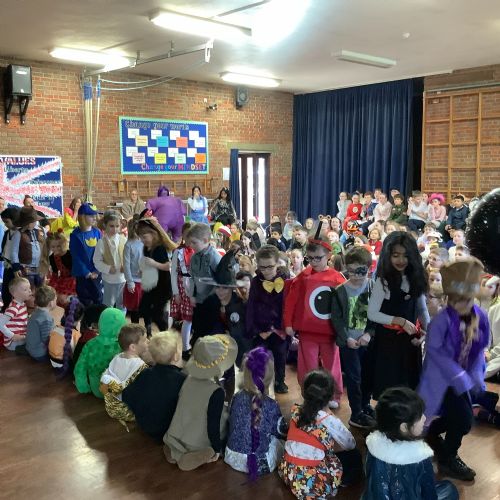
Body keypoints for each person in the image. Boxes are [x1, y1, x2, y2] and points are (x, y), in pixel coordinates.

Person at [419, 258, 490, 481]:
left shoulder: (480, 317)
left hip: (463, 379)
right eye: (457, 299)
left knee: (459, 419)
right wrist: (459, 375)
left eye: (467, 299)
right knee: (463, 419)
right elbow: (435, 352)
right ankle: (448, 457)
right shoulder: (440, 321)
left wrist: (477, 374)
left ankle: (432, 434)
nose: (462, 304)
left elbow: (479, 349)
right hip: (441, 379)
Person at [362, 387, 459, 500]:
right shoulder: (420, 457)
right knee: (450, 488)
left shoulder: (373, 445)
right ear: (404, 427)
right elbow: (429, 493)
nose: (424, 418)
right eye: (420, 416)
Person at [284, 231, 345, 407]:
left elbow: (345, 305)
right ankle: (309, 395)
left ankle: (334, 395)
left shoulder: (337, 278)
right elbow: (291, 301)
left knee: (332, 365)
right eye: (310, 258)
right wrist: (288, 323)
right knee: (307, 366)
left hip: (330, 332)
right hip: (307, 331)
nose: (314, 262)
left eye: (318, 258)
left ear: (329, 255)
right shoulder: (303, 277)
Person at [279, 369, 362, 498]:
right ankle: (342, 481)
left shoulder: (296, 411)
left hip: (290, 472)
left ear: (303, 393)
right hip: (313, 483)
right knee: (354, 455)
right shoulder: (329, 421)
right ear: (331, 396)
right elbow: (350, 444)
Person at [367, 232, 430, 399]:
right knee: (388, 388)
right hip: (388, 342)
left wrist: (427, 332)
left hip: (410, 341)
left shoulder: (416, 279)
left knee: (409, 388)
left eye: (405, 256)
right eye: (396, 255)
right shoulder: (383, 281)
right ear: (388, 256)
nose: (401, 260)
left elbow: (422, 310)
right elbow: (372, 313)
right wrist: (399, 321)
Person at [163, 334, 237, 471]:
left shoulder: (188, 378)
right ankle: (202, 453)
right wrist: (217, 448)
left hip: (177, 431)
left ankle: (174, 448)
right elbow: (213, 424)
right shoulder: (216, 392)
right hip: (197, 440)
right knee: (225, 427)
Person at [225, 347, 287, 479]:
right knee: (281, 442)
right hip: (261, 463)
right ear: (270, 377)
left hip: (232, 457)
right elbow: (281, 431)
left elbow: (231, 420)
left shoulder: (236, 397)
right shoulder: (272, 405)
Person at [331, 246, 376, 429]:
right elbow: (336, 318)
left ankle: (365, 405)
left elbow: (377, 315)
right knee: (354, 378)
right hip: (349, 343)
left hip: (368, 342)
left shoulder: (373, 287)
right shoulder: (340, 291)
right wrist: (346, 338)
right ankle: (356, 412)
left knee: (368, 376)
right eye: (351, 271)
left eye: (361, 271)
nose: (356, 276)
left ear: (369, 268)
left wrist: (369, 334)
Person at [122, 330, 186, 443]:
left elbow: (126, 395)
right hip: (167, 430)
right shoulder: (182, 379)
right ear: (176, 356)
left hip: (144, 425)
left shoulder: (145, 373)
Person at [247, 245, 290, 394]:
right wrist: (255, 330)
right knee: (258, 355)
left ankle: (279, 381)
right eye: (262, 267)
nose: (266, 271)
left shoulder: (286, 281)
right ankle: (258, 381)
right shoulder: (255, 282)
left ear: (277, 263)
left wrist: (282, 327)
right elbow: (251, 306)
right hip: (261, 327)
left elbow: (287, 306)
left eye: (270, 267)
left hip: (279, 328)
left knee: (280, 355)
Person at [100, 324, 148, 425]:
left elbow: (105, 384)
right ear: (133, 347)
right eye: (144, 340)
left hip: (110, 407)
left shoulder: (117, 358)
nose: (148, 341)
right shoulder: (140, 366)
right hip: (127, 411)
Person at [74, 308, 127, 398]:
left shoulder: (90, 344)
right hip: (115, 388)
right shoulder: (122, 345)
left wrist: (83, 387)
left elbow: (80, 368)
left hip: (96, 389)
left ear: (100, 323)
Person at [136, 216, 176, 334]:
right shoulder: (146, 248)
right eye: (141, 238)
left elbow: (167, 266)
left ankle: (165, 334)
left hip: (162, 286)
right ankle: (148, 331)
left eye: (144, 237)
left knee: (157, 314)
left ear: (153, 234)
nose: (142, 240)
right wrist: (143, 270)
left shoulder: (159, 248)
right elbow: (148, 264)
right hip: (152, 284)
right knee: (144, 308)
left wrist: (154, 264)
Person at [186, 223, 221, 343]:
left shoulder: (214, 257)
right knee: (197, 329)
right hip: (198, 300)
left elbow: (221, 280)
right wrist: (192, 295)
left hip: (211, 301)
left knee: (209, 333)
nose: (191, 245)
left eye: (194, 243)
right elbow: (192, 277)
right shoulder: (194, 257)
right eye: (190, 242)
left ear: (205, 240)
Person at [70, 202, 103, 306]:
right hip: (83, 275)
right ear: (83, 217)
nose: (94, 218)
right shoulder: (75, 235)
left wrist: (97, 270)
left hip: (97, 273)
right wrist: (86, 272)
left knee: (99, 298)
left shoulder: (97, 232)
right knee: (85, 299)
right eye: (91, 216)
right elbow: (76, 256)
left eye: (95, 215)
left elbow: (102, 252)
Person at [93, 211, 126, 310]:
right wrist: (107, 268)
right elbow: (97, 261)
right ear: (105, 225)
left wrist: (126, 266)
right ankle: (107, 318)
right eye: (111, 226)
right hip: (109, 280)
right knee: (108, 304)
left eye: (117, 226)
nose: (114, 229)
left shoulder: (124, 240)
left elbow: (129, 257)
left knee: (122, 304)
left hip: (123, 278)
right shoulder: (101, 243)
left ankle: (121, 318)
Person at [170, 223, 194, 357]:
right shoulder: (178, 252)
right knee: (187, 319)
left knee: (196, 319)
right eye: (187, 235)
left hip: (196, 288)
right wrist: (176, 293)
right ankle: (185, 348)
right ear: (183, 235)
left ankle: (195, 345)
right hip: (183, 288)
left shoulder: (198, 250)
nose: (190, 238)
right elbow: (173, 273)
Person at [48, 297, 85, 373]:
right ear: (80, 320)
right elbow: (75, 353)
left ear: (64, 314)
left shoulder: (56, 328)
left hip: (51, 360)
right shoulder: (75, 335)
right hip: (63, 365)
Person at [39, 230, 75, 307]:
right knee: (52, 296)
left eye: (58, 246)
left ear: (63, 244)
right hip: (62, 280)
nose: (56, 249)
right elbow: (55, 274)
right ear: (49, 247)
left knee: (63, 299)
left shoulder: (70, 254)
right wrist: (51, 287)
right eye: (53, 247)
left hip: (73, 280)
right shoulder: (52, 258)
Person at [11, 207, 44, 288]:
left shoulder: (38, 231)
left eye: (32, 222)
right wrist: (16, 267)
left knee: (41, 289)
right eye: (27, 222)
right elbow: (14, 251)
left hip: (40, 267)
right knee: (29, 289)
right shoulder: (18, 234)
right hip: (26, 268)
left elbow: (46, 245)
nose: (30, 225)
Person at [25, 285, 56, 361]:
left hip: (30, 348)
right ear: (51, 303)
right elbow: (47, 340)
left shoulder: (35, 312)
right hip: (39, 354)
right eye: (56, 299)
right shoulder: (46, 318)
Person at [0, 277, 32, 351]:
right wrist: (12, 335)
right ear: (15, 294)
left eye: (29, 288)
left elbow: (22, 319)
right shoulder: (13, 308)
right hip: (13, 342)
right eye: (25, 289)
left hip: (21, 337)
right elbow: (0, 324)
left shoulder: (22, 304)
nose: (30, 291)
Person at [122, 217, 144, 324]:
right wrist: (130, 281)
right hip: (134, 282)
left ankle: (147, 329)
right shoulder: (128, 245)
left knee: (145, 308)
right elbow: (126, 265)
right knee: (135, 309)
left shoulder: (144, 242)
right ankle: (135, 328)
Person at [1, 207, 20, 312]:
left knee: (17, 292)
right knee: (6, 291)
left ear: (14, 219)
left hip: (17, 267)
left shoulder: (20, 233)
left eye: (7, 222)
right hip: (8, 266)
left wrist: (17, 267)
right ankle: (6, 309)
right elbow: (5, 249)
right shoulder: (7, 233)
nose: (5, 224)